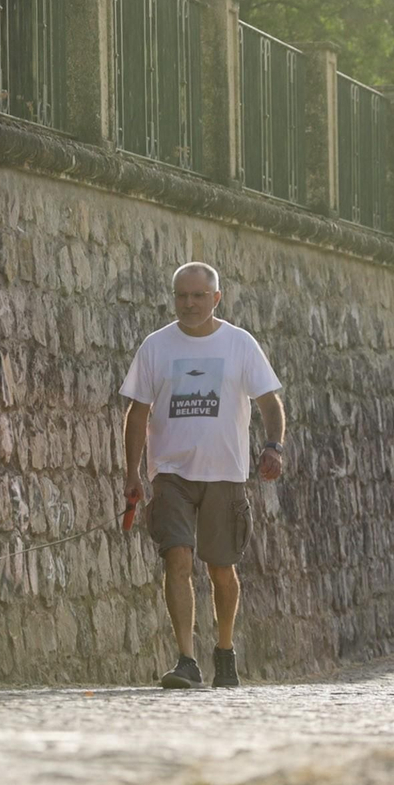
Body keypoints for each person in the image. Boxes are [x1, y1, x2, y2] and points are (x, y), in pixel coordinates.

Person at [121, 262, 285, 689]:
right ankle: (186, 659)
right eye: (181, 296)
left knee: (221, 567)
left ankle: (225, 651)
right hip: (170, 471)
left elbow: (270, 402)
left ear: (216, 298)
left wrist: (273, 446)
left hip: (225, 471)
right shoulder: (156, 347)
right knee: (176, 558)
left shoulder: (239, 344)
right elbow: (137, 413)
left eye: (197, 296)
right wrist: (133, 472)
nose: (189, 304)